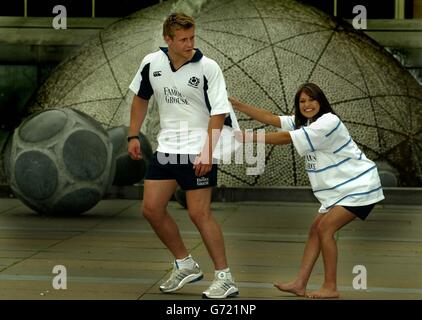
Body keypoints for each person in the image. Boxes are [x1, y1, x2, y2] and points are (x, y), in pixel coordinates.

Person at [229, 82, 384, 298]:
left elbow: (286, 138)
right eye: (302, 101)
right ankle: (299, 284)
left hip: (360, 186)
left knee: (325, 230)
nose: (307, 104)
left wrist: (249, 137)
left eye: (312, 99)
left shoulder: (328, 121)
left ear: (321, 101)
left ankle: (330, 287)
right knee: (315, 229)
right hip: (339, 190)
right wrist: (237, 105)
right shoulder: (305, 122)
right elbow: (271, 118)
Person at [127, 12, 239, 299]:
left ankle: (225, 278)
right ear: (168, 40)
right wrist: (133, 134)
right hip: (168, 148)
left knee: (199, 213)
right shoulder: (152, 63)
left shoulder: (208, 67)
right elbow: (141, 98)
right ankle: (185, 263)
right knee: (151, 209)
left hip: (199, 147)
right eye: (183, 39)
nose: (190, 44)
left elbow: (219, 112)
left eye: (192, 38)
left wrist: (207, 151)